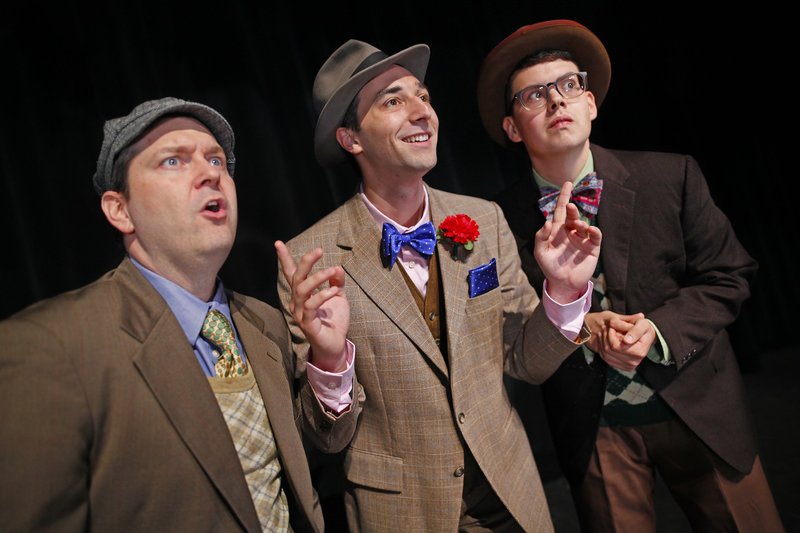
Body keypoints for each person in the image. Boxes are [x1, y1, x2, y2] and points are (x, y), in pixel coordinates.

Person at [275, 38, 601, 532]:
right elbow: (327, 439)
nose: (421, 111)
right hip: (405, 514)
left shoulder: (483, 220)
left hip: (509, 493)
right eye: (392, 101)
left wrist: (563, 293)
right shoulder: (308, 259)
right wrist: (329, 359)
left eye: (422, 96)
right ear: (351, 140)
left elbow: (526, 363)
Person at [476, 19, 784, 532]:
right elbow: (504, 324)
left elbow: (729, 274)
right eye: (534, 95)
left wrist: (660, 331)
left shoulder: (670, 175)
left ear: (591, 103)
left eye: (569, 85)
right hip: (594, 428)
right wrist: (579, 324)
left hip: (699, 406)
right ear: (511, 127)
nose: (556, 102)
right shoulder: (496, 220)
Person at [0, 96, 360, 532]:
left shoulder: (264, 323)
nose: (212, 173)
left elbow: (315, 455)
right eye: (173, 161)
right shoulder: (50, 344)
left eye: (216, 161)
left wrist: (328, 358)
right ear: (120, 209)